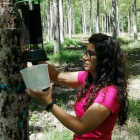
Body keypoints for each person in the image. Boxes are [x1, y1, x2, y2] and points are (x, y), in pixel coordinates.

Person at [25, 33, 129, 140]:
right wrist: (35, 57)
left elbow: (81, 127)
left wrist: (48, 103)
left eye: (90, 54)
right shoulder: (88, 78)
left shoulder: (109, 93)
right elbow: (56, 76)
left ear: (104, 59)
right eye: (86, 52)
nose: (84, 57)